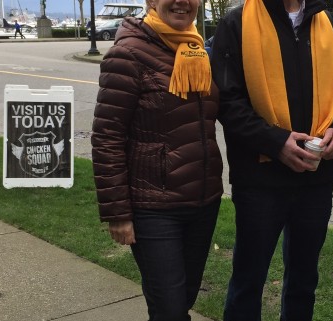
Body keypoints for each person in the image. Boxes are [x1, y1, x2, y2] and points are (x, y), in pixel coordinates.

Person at [210, 0, 333, 318]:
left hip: (315, 178)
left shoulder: (327, 23)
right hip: (260, 178)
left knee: (304, 280)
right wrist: (276, 143)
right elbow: (227, 102)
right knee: (249, 279)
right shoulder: (236, 23)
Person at [91, 0, 222, 319]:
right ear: (151, 2)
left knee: (184, 299)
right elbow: (107, 137)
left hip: (203, 201)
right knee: (170, 309)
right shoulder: (128, 54)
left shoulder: (196, 49)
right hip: (154, 207)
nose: (182, 2)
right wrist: (118, 213)